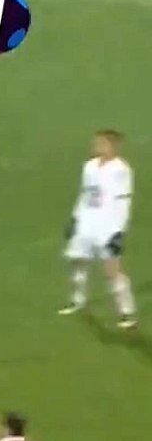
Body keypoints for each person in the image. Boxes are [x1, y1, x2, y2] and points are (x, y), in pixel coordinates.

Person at [59, 129, 135, 328]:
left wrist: (119, 230)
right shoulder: (89, 166)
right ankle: (78, 301)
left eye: (101, 143)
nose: (96, 146)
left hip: (107, 224)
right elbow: (85, 194)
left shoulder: (121, 169)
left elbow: (123, 201)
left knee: (112, 270)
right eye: (96, 143)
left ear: (113, 146)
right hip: (86, 220)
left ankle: (127, 312)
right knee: (78, 261)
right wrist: (75, 217)